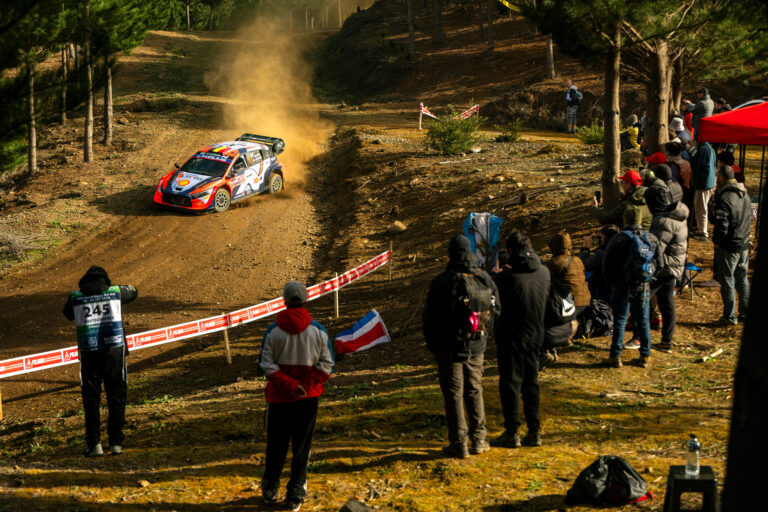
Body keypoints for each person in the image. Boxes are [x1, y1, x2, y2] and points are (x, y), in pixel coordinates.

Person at [422, 235, 500, 458]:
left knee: (454, 393)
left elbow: (429, 318)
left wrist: (433, 345)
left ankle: (459, 443)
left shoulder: (441, 281)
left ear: (449, 254)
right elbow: (497, 310)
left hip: (448, 347)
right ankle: (480, 439)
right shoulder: (485, 278)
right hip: (476, 345)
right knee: (475, 388)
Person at [259, 281, 335, 510]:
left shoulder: (273, 331)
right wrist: (304, 385)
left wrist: (290, 385)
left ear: (284, 301)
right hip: (308, 399)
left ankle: (270, 488)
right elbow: (327, 365)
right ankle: (295, 494)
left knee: (275, 444)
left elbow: (266, 364)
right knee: (302, 447)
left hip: (279, 398)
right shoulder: (319, 332)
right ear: (306, 300)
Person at [62, 266, 138, 457]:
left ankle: (94, 444)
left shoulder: (75, 296)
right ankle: (116, 443)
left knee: (91, 399)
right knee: (117, 395)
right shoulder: (115, 292)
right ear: (105, 280)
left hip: (89, 352)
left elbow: (67, 313)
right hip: (114, 351)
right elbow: (134, 292)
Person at [491, 232, 550, 448]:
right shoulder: (544, 272)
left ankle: (512, 431)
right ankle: (534, 430)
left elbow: (494, 300)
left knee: (510, 385)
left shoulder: (506, 278)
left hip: (510, 337)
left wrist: (496, 274)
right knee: (531, 384)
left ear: (511, 252)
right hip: (536, 335)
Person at [602, 208, 659, 368]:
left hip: (622, 287)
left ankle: (615, 356)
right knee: (643, 321)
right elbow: (659, 263)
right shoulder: (651, 238)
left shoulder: (618, 239)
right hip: (644, 286)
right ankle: (645, 356)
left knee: (620, 321)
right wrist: (649, 279)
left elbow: (606, 265)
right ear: (640, 220)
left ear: (625, 220)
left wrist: (614, 282)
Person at [645, 187, 689, 353]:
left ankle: (638, 337)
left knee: (641, 299)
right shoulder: (678, 216)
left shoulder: (662, 221)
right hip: (675, 267)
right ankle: (666, 341)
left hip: (662, 269)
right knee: (666, 303)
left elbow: (655, 249)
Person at [542, 232, 591, 364]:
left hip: (568, 303)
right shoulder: (577, 260)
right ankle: (568, 337)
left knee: (548, 316)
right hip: (585, 301)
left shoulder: (554, 262)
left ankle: (550, 348)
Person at [712, 166, 752, 325]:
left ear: (721, 178)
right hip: (743, 243)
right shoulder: (745, 194)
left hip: (729, 245)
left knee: (727, 279)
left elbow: (722, 224)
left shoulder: (726, 197)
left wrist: (718, 241)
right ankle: (745, 312)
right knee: (742, 278)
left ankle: (729, 316)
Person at [579, 224, 621, 302]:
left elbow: (584, 265)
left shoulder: (602, 252)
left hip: (604, 289)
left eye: (600, 237)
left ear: (605, 237)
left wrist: (585, 249)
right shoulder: (623, 247)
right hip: (621, 287)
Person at [691, 139, 717, 239]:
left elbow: (696, 164)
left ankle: (703, 233)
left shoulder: (703, 149)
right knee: (702, 207)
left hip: (703, 183)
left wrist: (691, 152)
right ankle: (701, 229)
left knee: (701, 208)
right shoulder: (710, 148)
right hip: (708, 182)